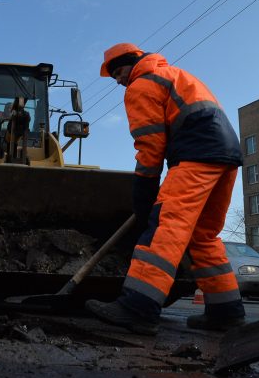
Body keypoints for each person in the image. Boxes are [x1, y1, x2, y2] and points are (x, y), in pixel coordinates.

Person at [85, 43, 245, 334]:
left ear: (132, 62)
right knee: (203, 235)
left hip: (197, 155)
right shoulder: (176, 75)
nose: (119, 80)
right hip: (227, 156)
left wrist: (144, 193)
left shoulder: (142, 85)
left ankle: (138, 307)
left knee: (166, 227)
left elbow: (150, 147)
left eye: (118, 72)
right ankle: (226, 311)